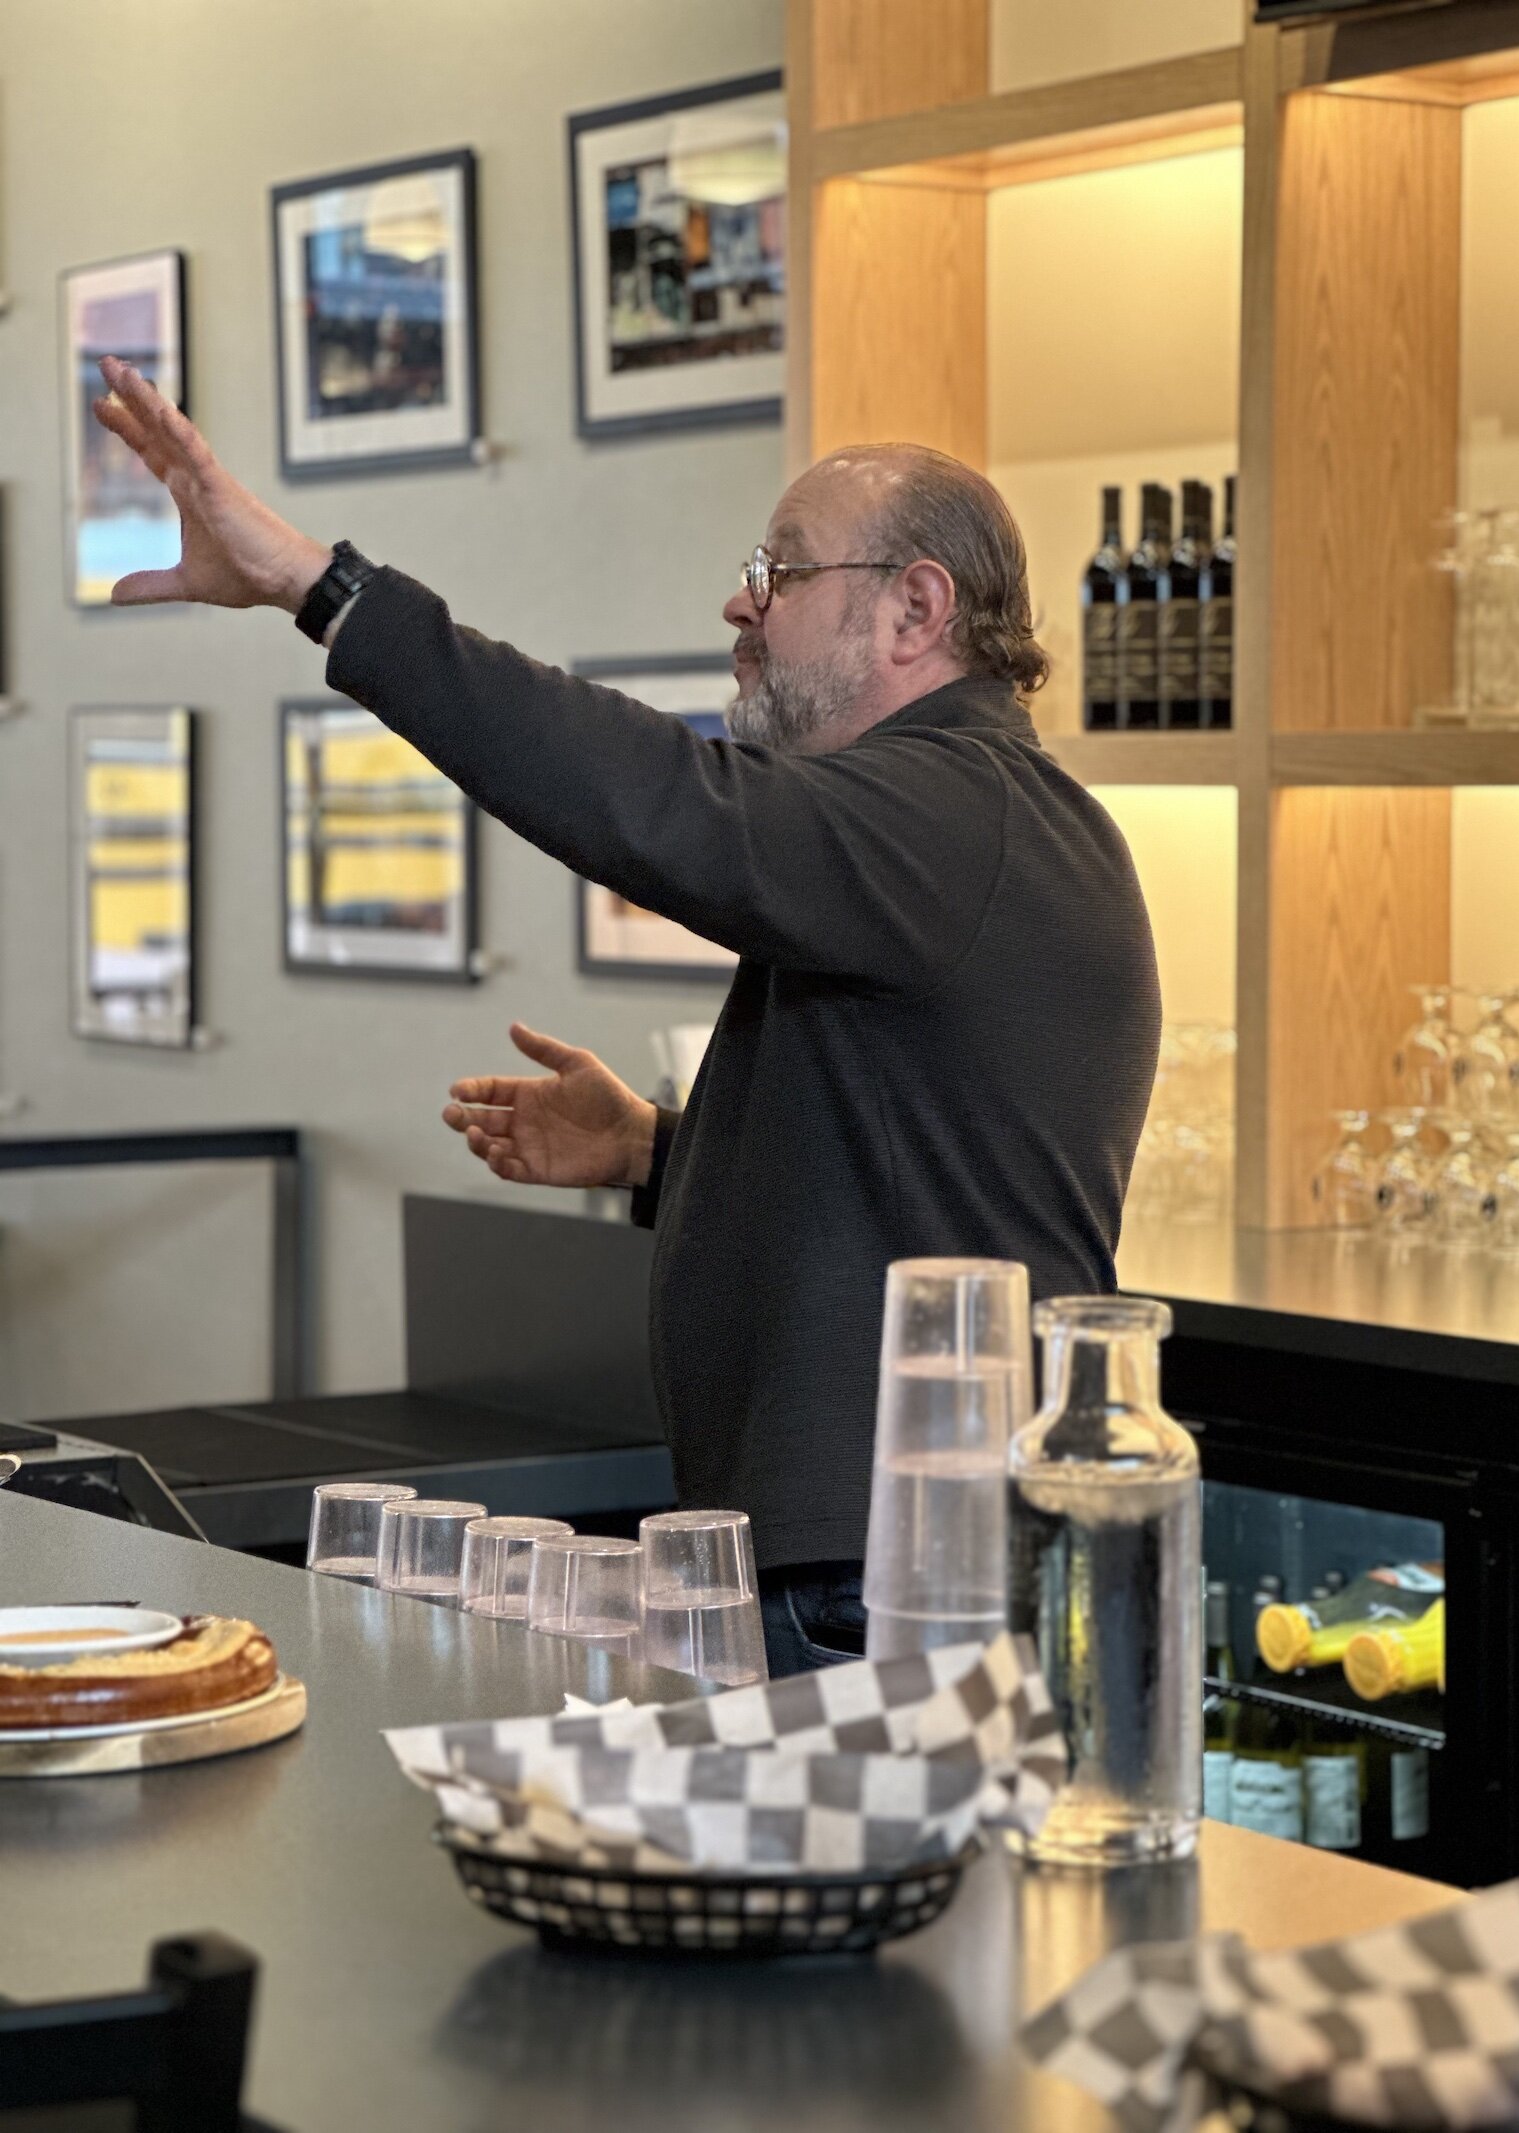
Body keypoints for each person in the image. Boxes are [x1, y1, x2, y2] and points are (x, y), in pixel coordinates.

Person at [92, 356, 1161, 1675]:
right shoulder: (942, 830)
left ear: (914, 610)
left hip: (890, 1583)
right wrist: (658, 1151)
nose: (741, 602)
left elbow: (654, 800)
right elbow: (913, 1157)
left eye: (780, 573)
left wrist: (327, 592)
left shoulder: (961, 813)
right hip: (865, 1565)